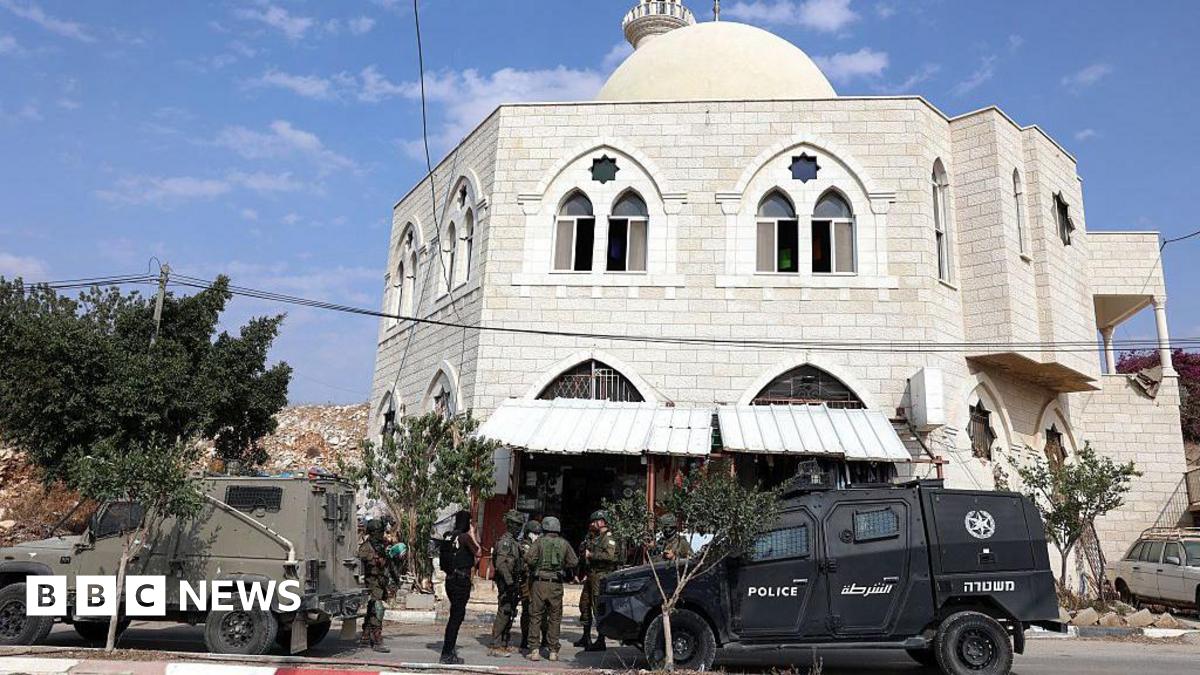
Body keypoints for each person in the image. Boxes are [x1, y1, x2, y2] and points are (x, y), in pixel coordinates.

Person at [522, 515, 577, 662]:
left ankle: (534, 650)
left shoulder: (539, 542)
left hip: (539, 583)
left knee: (536, 615)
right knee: (555, 617)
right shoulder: (564, 543)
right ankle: (553, 651)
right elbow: (574, 561)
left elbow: (529, 559)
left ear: (544, 528)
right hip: (556, 584)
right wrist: (561, 566)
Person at [439, 510, 480, 665]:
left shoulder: (448, 536)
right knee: (456, 618)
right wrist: (473, 533)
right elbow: (479, 552)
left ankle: (449, 649)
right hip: (461, 581)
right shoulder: (465, 537)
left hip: (450, 580)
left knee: (454, 616)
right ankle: (447, 653)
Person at [577, 510, 619, 651]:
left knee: (597, 608)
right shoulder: (595, 537)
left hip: (601, 576)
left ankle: (601, 640)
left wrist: (591, 555)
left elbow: (609, 556)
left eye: (594, 522)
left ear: (601, 522)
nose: (592, 524)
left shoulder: (608, 538)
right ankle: (586, 637)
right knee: (584, 605)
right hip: (591, 575)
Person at [488, 510, 525, 657]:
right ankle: (496, 645)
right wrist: (509, 582)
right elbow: (501, 563)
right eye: (517, 525)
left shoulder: (514, 542)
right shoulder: (506, 542)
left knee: (510, 611)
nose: (519, 528)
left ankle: (503, 642)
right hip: (506, 582)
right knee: (504, 611)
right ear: (511, 525)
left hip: (513, 581)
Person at [357, 518, 394, 653]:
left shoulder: (381, 545)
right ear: (373, 532)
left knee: (372, 608)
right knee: (377, 608)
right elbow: (361, 561)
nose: (381, 534)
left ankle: (366, 637)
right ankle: (377, 640)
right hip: (372, 581)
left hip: (381, 580)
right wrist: (375, 560)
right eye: (379, 532)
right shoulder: (366, 547)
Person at [518, 519, 543, 653]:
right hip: (527, 581)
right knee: (527, 609)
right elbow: (529, 560)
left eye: (539, 534)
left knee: (541, 611)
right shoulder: (525, 545)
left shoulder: (540, 545)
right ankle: (524, 638)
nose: (537, 536)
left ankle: (541, 638)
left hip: (537, 581)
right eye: (535, 533)